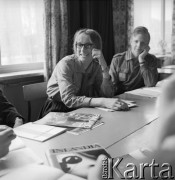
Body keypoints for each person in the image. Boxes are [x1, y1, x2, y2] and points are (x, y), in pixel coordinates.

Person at [40, 28, 129, 118]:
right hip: (57, 109)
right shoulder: (66, 64)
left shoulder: (97, 65)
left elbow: (107, 94)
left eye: (87, 45)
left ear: (96, 47)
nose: (82, 50)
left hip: (81, 108)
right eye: (79, 45)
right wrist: (103, 102)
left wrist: (104, 67)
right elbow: (69, 99)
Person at [110, 26, 158, 95]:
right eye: (136, 41)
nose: (138, 46)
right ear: (130, 41)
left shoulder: (151, 59)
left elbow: (150, 83)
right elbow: (111, 87)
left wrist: (141, 60)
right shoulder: (118, 59)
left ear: (147, 46)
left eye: (143, 43)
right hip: (121, 97)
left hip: (141, 98)